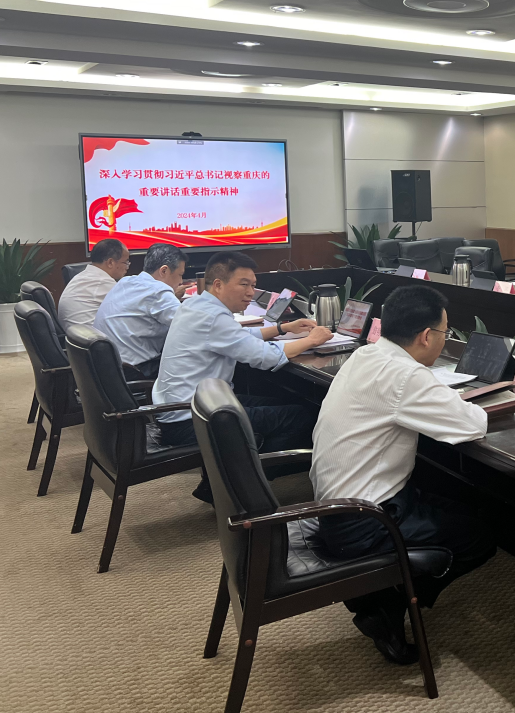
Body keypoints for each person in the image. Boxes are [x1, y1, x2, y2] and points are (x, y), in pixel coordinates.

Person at [310, 285, 494, 664]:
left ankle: (383, 597)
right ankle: (389, 603)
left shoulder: (366, 354)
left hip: (335, 508)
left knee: (461, 504)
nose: (444, 339)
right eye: (444, 332)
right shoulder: (405, 375)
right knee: (480, 535)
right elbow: (474, 424)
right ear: (426, 336)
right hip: (365, 523)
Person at [153, 251, 332, 501]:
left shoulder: (198, 305)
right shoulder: (213, 316)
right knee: (300, 416)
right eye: (244, 284)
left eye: (253, 285)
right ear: (218, 284)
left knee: (287, 404)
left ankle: (224, 480)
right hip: (191, 419)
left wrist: (282, 328)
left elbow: (239, 337)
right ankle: (240, 486)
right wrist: (312, 340)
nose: (250, 292)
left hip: (191, 406)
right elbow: (264, 357)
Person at [93, 243, 189, 380]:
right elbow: (189, 324)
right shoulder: (158, 290)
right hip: (134, 372)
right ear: (164, 271)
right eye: (180, 275)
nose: (180, 281)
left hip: (108, 370)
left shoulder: (125, 282)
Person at [59, 238, 130, 330]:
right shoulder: (102, 281)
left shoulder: (83, 276)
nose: (127, 267)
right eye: (126, 262)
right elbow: (131, 307)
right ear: (110, 262)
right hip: (94, 336)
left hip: (76, 335)